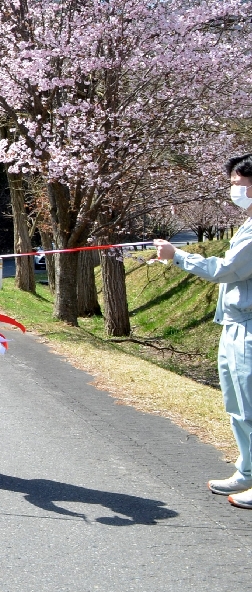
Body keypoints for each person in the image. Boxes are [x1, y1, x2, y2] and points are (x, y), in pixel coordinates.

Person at [154, 153, 252, 509]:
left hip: (249, 327)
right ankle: (247, 470)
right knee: (237, 404)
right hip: (234, 324)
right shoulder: (247, 224)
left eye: (239, 185)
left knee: (251, 403)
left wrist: (178, 256)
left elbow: (227, 269)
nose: (234, 191)